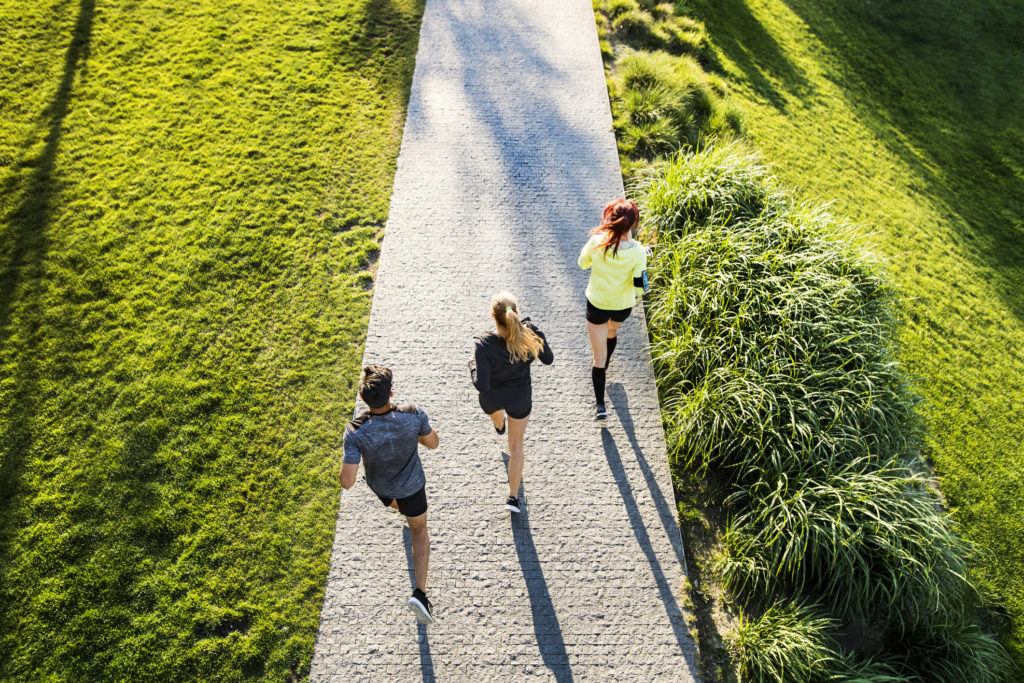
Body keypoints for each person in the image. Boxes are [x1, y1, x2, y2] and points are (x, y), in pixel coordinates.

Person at [339, 365, 440, 624]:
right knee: (419, 530)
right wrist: (412, 432)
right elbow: (433, 443)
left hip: (383, 489)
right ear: (391, 394)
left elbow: (347, 482)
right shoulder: (413, 413)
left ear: (362, 399)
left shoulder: (354, 431)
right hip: (412, 486)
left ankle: (403, 511)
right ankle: (420, 593)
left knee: (400, 508)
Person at [471, 292, 553, 513]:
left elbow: (483, 385)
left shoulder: (483, 343)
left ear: (492, 316)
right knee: (516, 447)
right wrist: (535, 330)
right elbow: (548, 359)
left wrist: (472, 367)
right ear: (516, 313)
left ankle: (499, 426)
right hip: (520, 398)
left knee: (495, 414)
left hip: (493, 398)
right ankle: (513, 498)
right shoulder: (529, 334)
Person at [577, 198, 648, 420]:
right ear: (633, 223)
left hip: (597, 304)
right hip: (622, 307)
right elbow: (640, 287)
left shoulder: (597, 242)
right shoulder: (639, 253)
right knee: (612, 332)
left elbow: (582, 264)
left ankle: (600, 406)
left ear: (610, 219)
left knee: (597, 358)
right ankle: (606, 364)